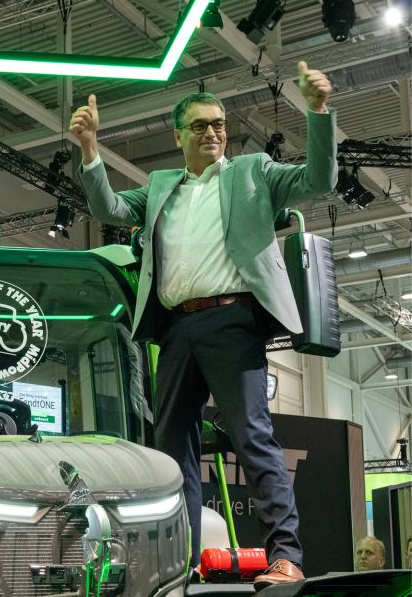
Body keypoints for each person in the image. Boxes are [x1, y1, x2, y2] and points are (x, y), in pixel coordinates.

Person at [70, 61, 335, 589]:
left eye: (218, 124)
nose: (212, 132)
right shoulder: (160, 186)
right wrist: (91, 149)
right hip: (175, 329)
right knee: (173, 451)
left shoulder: (254, 171)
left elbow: (317, 180)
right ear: (178, 136)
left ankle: (286, 556)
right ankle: (181, 561)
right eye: (199, 125)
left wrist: (318, 112)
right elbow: (109, 206)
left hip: (233, 320)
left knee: (252, 437)